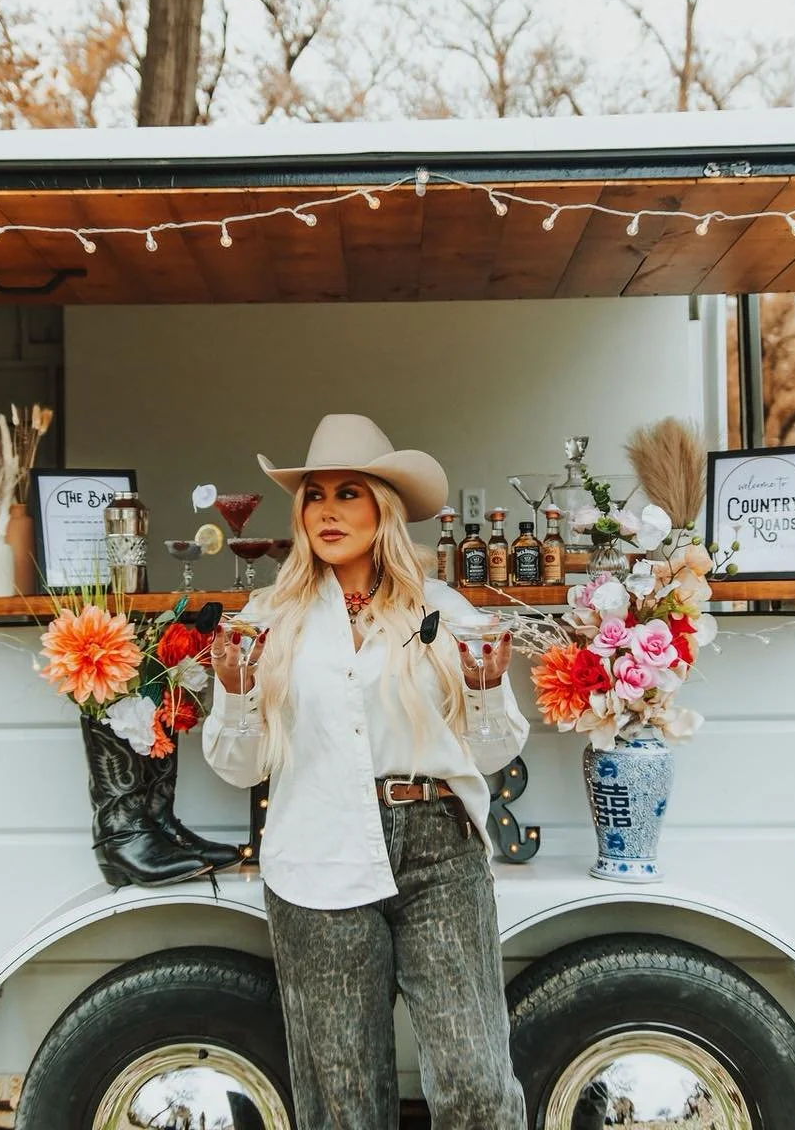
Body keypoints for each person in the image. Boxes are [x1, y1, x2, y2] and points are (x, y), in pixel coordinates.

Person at [203, 413, 529, 1130]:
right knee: (344, 1097)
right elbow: (239, 767)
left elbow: (495, 752)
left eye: (347, 492)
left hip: (439, 850)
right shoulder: (268, 619)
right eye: (314, 495)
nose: (326, 510)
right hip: (319, 847)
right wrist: (233, 691)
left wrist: (483, 692)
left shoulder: (442, 610)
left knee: (476, 1080)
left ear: (382, 508)